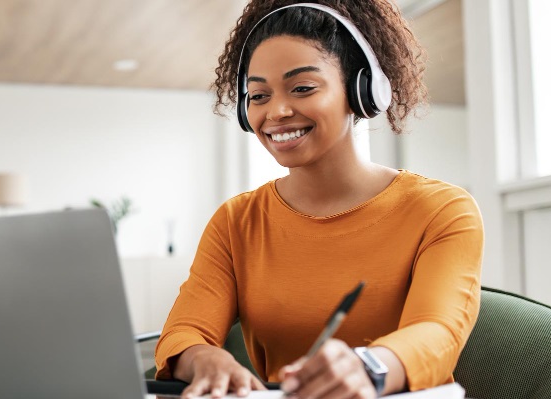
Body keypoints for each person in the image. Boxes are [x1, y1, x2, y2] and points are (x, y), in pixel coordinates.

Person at [153, 1, 484, 398]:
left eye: (303, 88)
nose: (276, 111)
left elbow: (439, 331)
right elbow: (184, 331)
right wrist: (204, 358)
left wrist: (368, 367)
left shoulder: (443, 210)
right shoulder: (236, 222)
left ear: (363, 90)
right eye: (258, 95)